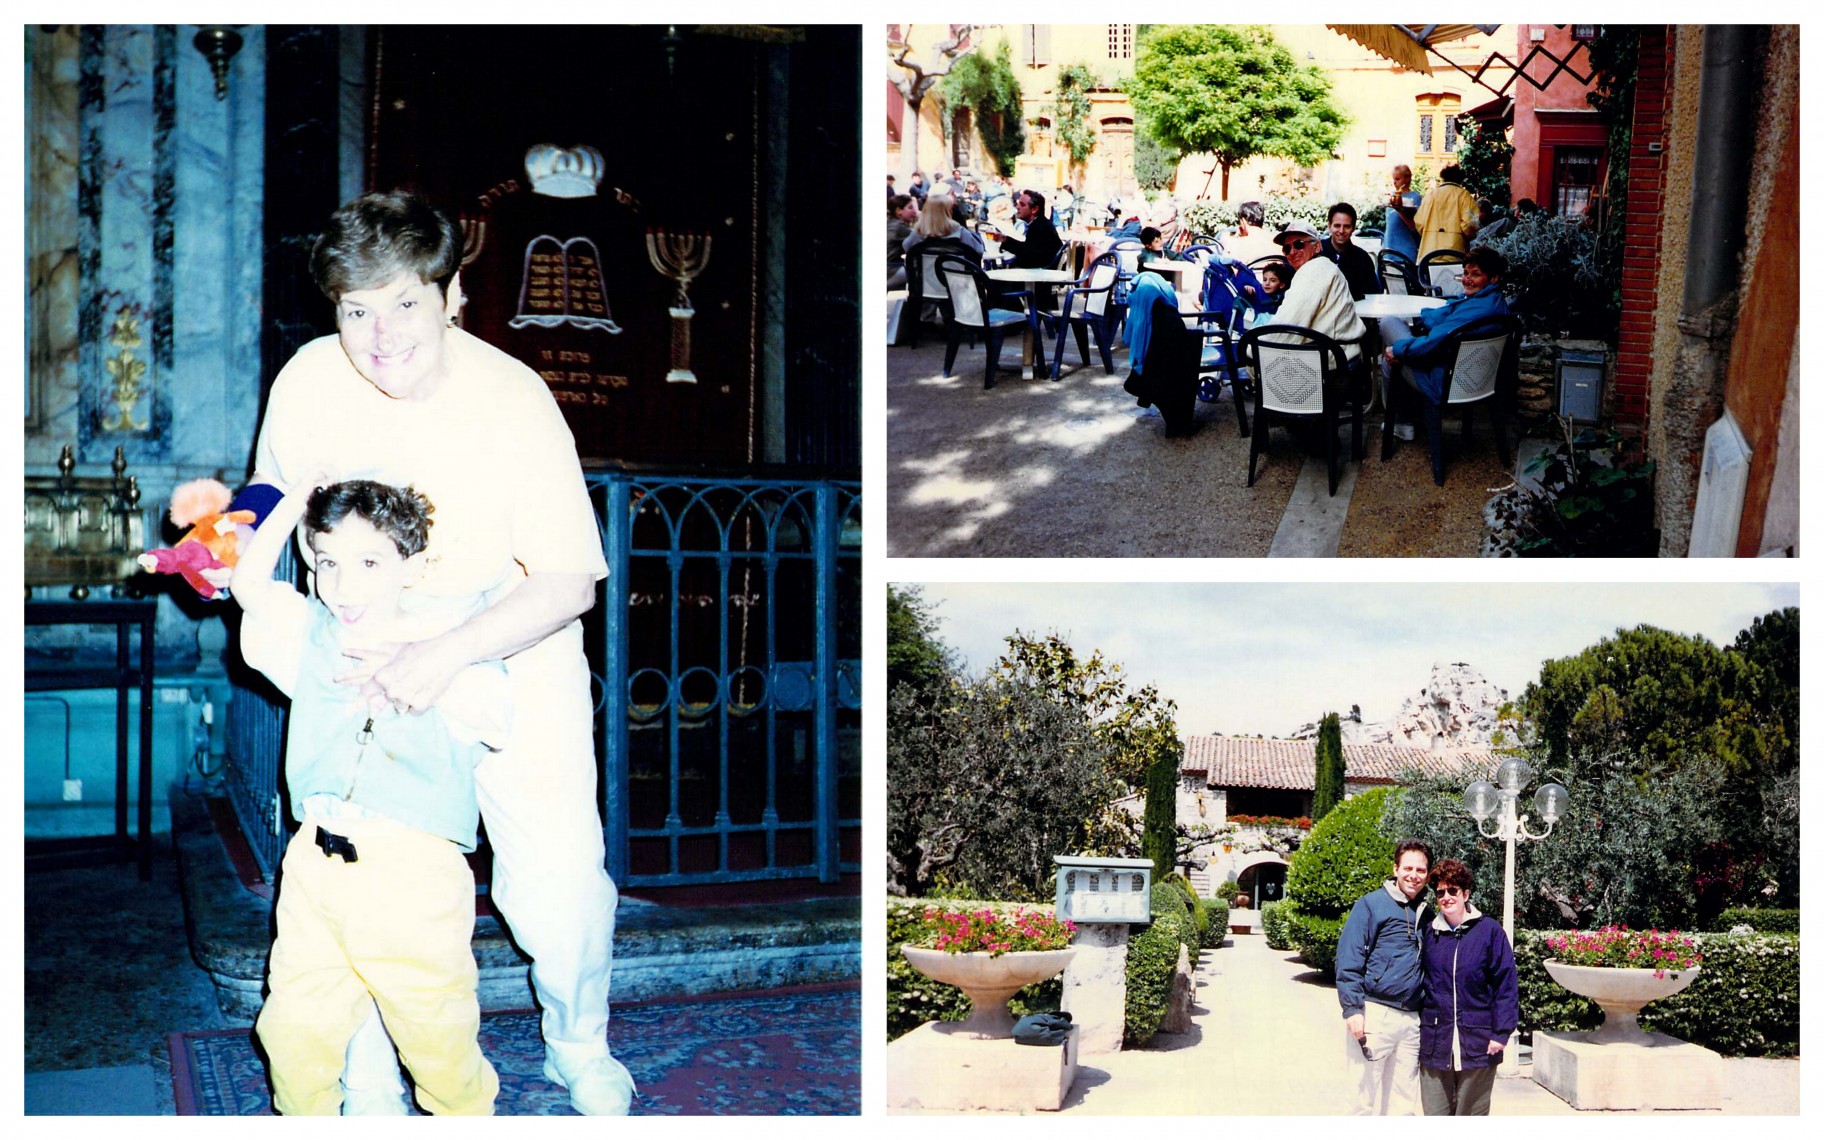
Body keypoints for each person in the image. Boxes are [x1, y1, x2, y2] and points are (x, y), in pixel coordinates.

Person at [246, 189, 631, 1115]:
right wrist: (210, 545)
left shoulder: (512, 395)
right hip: (366, 656)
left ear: (451, 294)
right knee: (373, 872)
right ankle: (373, 1077)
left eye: (404, 304)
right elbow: (271, 493)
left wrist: (450, 653)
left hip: (509, 642)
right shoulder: (308, 377)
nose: (379, 337)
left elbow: (571, 581)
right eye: (355, 310)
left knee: (558, 874)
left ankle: (579, 1043)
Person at [236, 477, 508, 1116]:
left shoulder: (456, 648)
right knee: (293, 1028)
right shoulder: (307, 634)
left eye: (368, 562)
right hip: (314, 864)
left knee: (436, 1032)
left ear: (409, 569)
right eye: (327, 561)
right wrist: (295, 497)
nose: (343, 584)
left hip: (411, 869)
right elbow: (249, 586)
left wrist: (427, 667)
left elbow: (497, 721)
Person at [1336, 838, 1433, 1116]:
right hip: (1375, 1014)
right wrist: (1352, 1009)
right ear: (1395, 868)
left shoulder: (1427, 913)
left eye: (1421, 870)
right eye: (1408, 868)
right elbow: (1349, 958)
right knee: (1360, 1098)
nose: (1413, 875)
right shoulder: (1371, 905)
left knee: (1403, 1104)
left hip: (1411, 1020)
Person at [1379, 245, 1515, 442]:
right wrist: (1424, 320)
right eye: (1465, 273)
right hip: (1478, 381)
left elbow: (1433, 342)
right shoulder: (1493, 302)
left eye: (1475, 274)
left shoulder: (1475, 310)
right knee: (1398, 345)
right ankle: (1407, 418)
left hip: (1444, 383)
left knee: (1388, 331)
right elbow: (1447, 316)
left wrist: (1397, 349)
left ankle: (1402, 423)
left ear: (1493, 278)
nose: (1467, 279)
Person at [1418, 859, 1518, 1116]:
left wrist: (1501, 1033)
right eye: (1440, 892)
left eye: (1453, 891)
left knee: (1471, 1117)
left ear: (1465, 894)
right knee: (1436, 1115)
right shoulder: (1430, 933)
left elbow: (1505, 984)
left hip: (1479, 1041)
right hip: (1436, 1040)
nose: (1446, 897)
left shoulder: (1489, 931)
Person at [1267, 219, 1366, 364]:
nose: (1292, 252)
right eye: (1287, 248)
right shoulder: (1320, 268)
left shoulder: (1315, 269)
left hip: (1332, 363)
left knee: (1260, 363)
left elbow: (1288, 324)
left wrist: (1249, 349)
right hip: (1336, 356)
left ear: (1317, 247)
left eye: (1299, 244)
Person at [1413, 165, 1479, 260]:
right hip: (1455, 252)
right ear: (1460, 179)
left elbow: (1419, 222)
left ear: (1443, 178)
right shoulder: (1464, 195)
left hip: (1429, 251)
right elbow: (1470, 223)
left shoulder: (1430, 195)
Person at [1320, 202, 1381, 301]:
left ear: (1353, 228)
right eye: (1337, 226)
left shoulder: (1363, 258)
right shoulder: (1316, 253)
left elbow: (1372, 296)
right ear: (1329, 226)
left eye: (1346, 226)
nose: (1341, 231)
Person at [995, 189, 1063, 270]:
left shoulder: (1040, 227)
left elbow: (1030, 256)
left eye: (1022, 205)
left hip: (1041, 275)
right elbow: (1029, 250)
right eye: (1017, 204)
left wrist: (1005, 241)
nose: (1017, 207)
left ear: (1034, 209)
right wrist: (1005, 239)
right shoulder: (1040, 223)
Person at [902, 193, 984, 258]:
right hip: (957, 276)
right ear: (948, 212)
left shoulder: (918, 233)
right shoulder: (959, 232)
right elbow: (978, 251)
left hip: (926, 277)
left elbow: (907, 247)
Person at [1383, 165, 1422, 261]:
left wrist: (1399, 209)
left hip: (1405, 251)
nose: (1394, 182)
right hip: (1388, 248)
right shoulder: (1391, 197)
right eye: (1393, 179)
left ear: (1407, 178)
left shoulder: (1414, 198)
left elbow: (1414, 227)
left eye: (1397, 179)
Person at [887, 194, 919, 288]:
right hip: (890, 270)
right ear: (899, 211)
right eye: (910, 208)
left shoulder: (891, 223)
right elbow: (921, 239)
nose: (914, 211)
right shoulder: (899, 227)